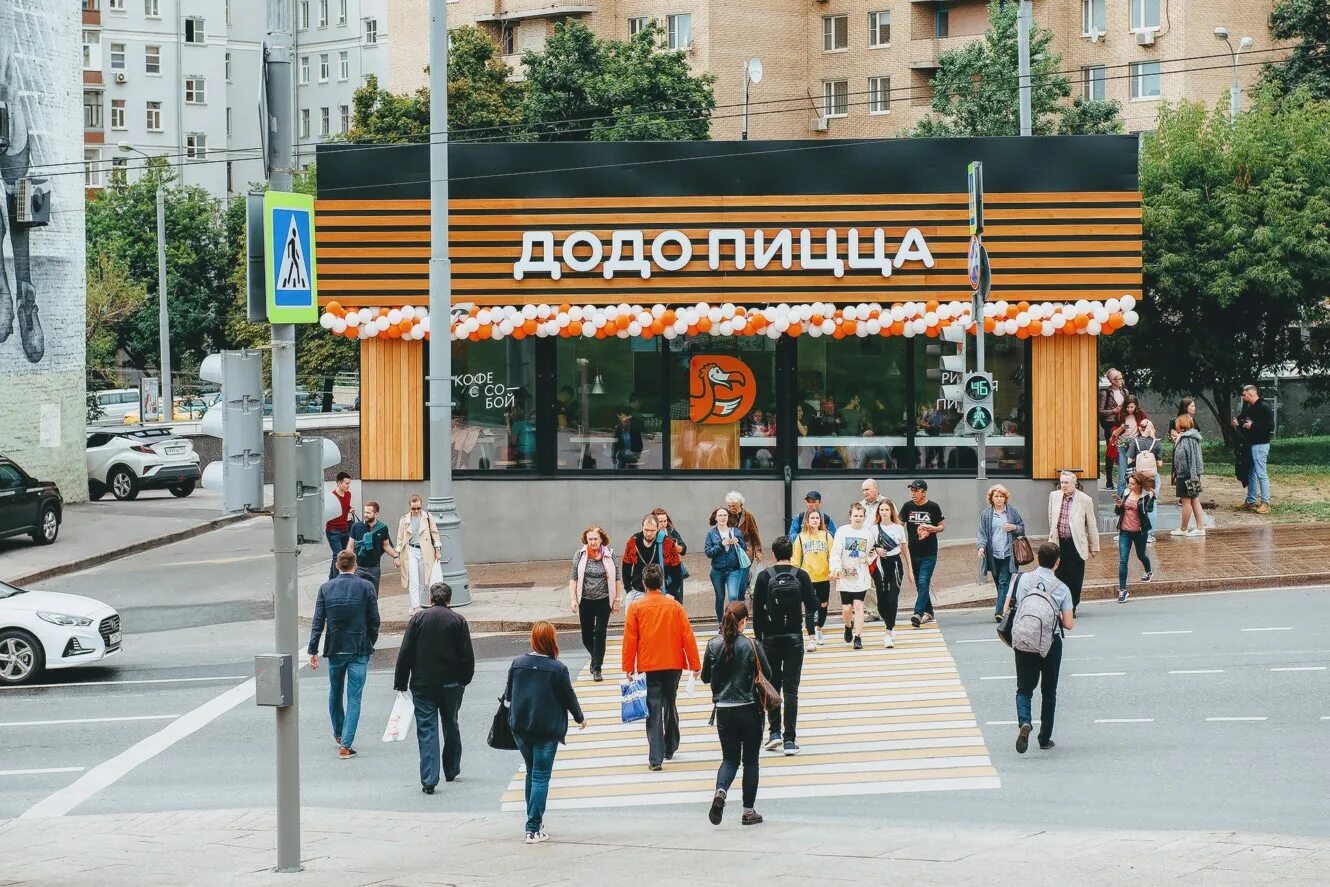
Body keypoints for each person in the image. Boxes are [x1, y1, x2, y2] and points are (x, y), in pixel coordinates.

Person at [504, 622, 587, 844]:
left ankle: (534, 821)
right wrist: (580, 718)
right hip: (547, 729)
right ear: (551, 640)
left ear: (533, 640)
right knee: (541, 776)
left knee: (532, 772)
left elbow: (508, 696)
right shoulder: (557, 668)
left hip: (520, 728)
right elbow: (568, 697)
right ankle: (533, 828)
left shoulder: (518, 663)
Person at [393, 581, 475, 793]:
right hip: (451, 684)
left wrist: (401, 683)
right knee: (451, 723)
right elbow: (467, 656)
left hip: (423, 684)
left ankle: (429, 779)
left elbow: (405, 653)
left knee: (427, 729)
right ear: (449, 600)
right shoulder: (458, 620)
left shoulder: (418, 619)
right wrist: (465, 680)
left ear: (430, 599)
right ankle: (451, 768)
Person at [621, 564, 701, 771]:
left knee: (653, 709)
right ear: (662, 582)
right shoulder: (674, 607)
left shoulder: (636, 608)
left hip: (649, 665)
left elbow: (630, 639)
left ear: (645, 584)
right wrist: (695, 664)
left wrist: (628, 667)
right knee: (670, 702)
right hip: (673, 663)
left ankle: (655, 758)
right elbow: (687, 636)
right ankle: (671, 745)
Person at [701, 601, 772, 827]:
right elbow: (767, 673)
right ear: (744, 621)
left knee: (729, 759)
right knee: (751, 761)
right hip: (750, 708)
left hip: (723, 711)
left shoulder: (713, 645)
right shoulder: (752, 645)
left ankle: (720, 793)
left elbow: (705, 677)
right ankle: (748, 811)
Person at [307, 550, 380, 760]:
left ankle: (339, 733)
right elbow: (374, 620)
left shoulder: (326, 588)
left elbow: (318, 621)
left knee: (335, 691)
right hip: (359, 646)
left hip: (335, 646)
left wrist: (313, 649)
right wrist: (370, 641)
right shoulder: (366, 587)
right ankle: (346, 744)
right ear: (354, 565)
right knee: (354, 696)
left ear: (338, 566)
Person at [1004, 542, 1074, 754]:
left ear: (1037, 558)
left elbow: (1007, 607)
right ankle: (1044, 738)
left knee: (1024, 689)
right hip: (1050, 644)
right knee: (1048, 691)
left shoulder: (1021, 579)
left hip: (1024, 640)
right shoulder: (1062, 588)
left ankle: (1025, 722)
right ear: (1057, 562)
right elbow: (1069, 624)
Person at [751, 536, 818, 755]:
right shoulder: (801, 575)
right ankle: (790, 739)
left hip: (770, 639)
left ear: (774, 553)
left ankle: (774, 733)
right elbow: (812, 605)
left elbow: (758, 612)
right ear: (791, 554)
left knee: (773, 686)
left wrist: (759, 638)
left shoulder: (764, 577)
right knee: (791, 690)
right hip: (794, 639)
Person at [568, 526, 618, 683]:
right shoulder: (580, 555)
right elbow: (573, 578)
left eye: (596, 539)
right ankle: (595, 656)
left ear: (601, 539)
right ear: (586, 540)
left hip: (604, 600)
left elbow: (617, 579)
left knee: (600, 633)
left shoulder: (610, 554)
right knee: (586, 635)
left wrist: (617, 600)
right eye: (590, 539)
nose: (593, 542)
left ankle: (597, 668)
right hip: (586, 601)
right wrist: (573, 599)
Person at [1045, 471, 1098, 614]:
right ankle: (1061, 605)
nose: (1063, 485)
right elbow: (1051, 518)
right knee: (1059, 575)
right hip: (1059, 542)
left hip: (1076, 543)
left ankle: (1072, 605)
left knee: (1074, 577)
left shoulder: (1085, 500)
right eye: (1061, 482)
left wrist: (1094, 546)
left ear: (1074, 484)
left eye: (1066, 482)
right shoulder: (1054, 496)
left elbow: (1091, 524)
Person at [830, 503, 876, 649]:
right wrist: (836, 567)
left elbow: (871, 552)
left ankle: (858, 637)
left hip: (861, 573)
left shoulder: (868, 534)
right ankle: (848, 625)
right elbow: (836, 552)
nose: (858, 518)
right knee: (846, 608)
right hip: (844, 574)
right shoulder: (842, 531)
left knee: (858, 605)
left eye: (861, 516)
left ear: (864, 517)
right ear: (850, 516)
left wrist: (869, 559)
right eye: (855, 515)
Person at [977, 485, 1026, 621]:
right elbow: (982, 533)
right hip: (993, 555)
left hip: (1009, 554)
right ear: (991, 499)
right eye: (996, 496)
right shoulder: (986, 514)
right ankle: (1008, 605)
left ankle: (999, 612)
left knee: (1004, 581)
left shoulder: (1012, 512)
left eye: (1001, 496)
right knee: (999, 583)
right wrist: (981, 547)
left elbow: (1022, 528)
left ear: (1005, 498)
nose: (999, 499)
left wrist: (1014, 527)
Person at [900, 480, 945, 628]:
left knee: (923, 581)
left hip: (929, 551)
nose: (913, 493)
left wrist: (932, 528)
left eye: (916, 491)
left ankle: (918, 613)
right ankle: (929, 611)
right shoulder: (907, 507)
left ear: (924, 492)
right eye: (911, 491)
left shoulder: (933, 507)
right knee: (920, 584)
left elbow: (942, 526)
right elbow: (899, 525)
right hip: (913, 551)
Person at [871, 499, 912, 648]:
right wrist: (876, 549)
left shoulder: (898, 528)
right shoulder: (874, 529)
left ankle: (888, 631)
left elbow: (905, 550)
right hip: (880, 565)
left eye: (887, 510)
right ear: (878, 512)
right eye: (881, 510)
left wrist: (910, 571)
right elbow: (870, 547)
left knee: (892, 597)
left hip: (895, 564)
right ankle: (889, 622)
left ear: (891, 511)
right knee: (881, 600)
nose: (884, 512)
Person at [622, 513, 684, 609]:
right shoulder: (634, 541)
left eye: (652, 530)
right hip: (637, 591)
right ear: (641, 526)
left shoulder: (667, 543)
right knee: (631, 622)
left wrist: (671, 593)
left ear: (658, 528)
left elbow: (676, 570)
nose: (649, 534)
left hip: (661, 592)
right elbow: (626, 566)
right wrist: (628, 589)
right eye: (646, 530)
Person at [792, 509, 834, 647]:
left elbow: (833, 556)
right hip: (807, 577)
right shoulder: (800, 537)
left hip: (823, 576)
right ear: (807, 521)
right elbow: (796, 559)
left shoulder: (827, 536)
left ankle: (819, 629)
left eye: (817, 518)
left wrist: (834, 570)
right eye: (812, 518)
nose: (815, 520)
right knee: (810, 608)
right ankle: (811, 639)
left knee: (823, 605)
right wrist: (795, 576)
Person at [394, 494, 441, 614]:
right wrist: (397, 556)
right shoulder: (404, 519)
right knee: (413, 579)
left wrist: (438, 550)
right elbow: (399, 538)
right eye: (413, 508)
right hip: (410, 551)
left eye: (418, 508)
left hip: (425, 551)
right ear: (409, 507)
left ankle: (417, 604)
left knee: (422, 581)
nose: (416, 511)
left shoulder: (427, 517)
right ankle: (415, 607)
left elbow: (435, 534)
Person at [1113, 473, 1155, 603]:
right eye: (1129, 483)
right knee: (1123, 560)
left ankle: (1148, 572)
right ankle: (1123, 590)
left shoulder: (1145, 495)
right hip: (1125, 531)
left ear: (1139, 484)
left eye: (1132, 484)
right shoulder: (1125, 493)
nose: (1129, 486)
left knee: (1141, 555)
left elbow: (1149, 509)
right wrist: (1119, 505)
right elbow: (1118, 512)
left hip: (1139, 531)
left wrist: (1152, 498)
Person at [1233, 384, 1274, 514]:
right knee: (1251, 473)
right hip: (1251, 444)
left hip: (1261, 444)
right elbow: (1247, 427)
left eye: (1245, 395)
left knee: (1261, 473)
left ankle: (1265, 503)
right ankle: (1250, 501)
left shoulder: (1264, 407)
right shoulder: (1252, 408)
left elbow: (1270, 426)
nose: (1244, 398)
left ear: (1250, 394)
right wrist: (1240, 425)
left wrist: (1253, 426)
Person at [705, 507, 747, 625]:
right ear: (716, 518)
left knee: (733, 597)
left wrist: (737, 542)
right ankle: (720, 623)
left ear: (728, 517)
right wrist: (721, 545)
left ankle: (733, 623)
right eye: (720, 515)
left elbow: (744, 548)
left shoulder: (736, 531)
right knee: (720, 597)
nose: (723, 518)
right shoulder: (711, 534)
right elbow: (708, 552)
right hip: (717, 571)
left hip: (734, 570)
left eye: (725, 515)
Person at [856, 478, 891, 620]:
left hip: (883, 548)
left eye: (867, 489)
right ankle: (873, 611)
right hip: (866, 549)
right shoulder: (860, 505)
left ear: (875, 488)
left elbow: (896, 523)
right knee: (867, 581)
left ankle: (886, 609)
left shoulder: (886, 503)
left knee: (884, 580)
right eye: (863, 490)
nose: (865, 492)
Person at [346, 501, 397, 595]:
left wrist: (396, 556)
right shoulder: (356, 526)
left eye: (368, 513)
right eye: (365, 512)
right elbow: (350, 546)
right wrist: (349, 562)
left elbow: (386, 545)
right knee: (357, 596)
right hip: (358, 567)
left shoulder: (382, 528)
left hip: (374, 568)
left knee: (373, 597)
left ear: (376, 514)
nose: (365, 515)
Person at [1171, 414, 1207, 538]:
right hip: (1191, 474)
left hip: (1187, 475)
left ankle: (1184, 528)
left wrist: (1190, 475)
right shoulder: (1190, 437)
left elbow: (1191, 458)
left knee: (1187, 501)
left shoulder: (1187, 439)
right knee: (1195, 499)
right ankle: (1200, 527)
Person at [1126, 420, 1163, 543]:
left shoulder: (1134, 442)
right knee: (1151, 503)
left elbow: (1129, 461)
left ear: (1139, 429)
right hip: (1151, 478)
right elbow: (1160, 464)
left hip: (1139, 478)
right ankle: (1150, 534)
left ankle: (1137, 530)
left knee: (1138, 502)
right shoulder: (1156, 443)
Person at [724, 491, 764, 590]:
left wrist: (758, 551)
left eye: (734, 506)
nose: (731, 508)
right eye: (729, 506)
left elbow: (755, 535)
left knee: (744, 568)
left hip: (746, 547)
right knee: (734, 570)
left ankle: (744, 584)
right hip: (731, 547)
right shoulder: (726, 515)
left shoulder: (748, 516)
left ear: (741, 504)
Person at [1111, 395, 1148, 498]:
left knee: (1137, 475)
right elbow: (1114, 432)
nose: (1129, 409)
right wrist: (1121, 427)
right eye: (1127, 407)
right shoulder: (1120, 415)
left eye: (1132, 407)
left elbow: (1147, 427)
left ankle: (1136, 500)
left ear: (1136, 406)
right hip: (1123, 444)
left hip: (1136, 445)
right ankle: (1120, 505)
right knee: (1122, 476)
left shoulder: (1141, 414)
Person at [1098, 369, 1128, 489]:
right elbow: (1100, 411)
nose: (1121, 381)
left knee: (1124, 449)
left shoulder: (1124, 391)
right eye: (1119, 379)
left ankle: (1125, 477)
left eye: (1121, 378)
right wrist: (1113, 411)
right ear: (1112, 380)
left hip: (1123, 422)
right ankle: (1109, 480)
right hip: (1110, 424)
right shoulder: (1105, 393)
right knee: (1111, 449)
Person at [651, 508, 689, 600]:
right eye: (660, 521)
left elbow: (683, 548)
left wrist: (677, 548)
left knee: (677, 597)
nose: (663, 523)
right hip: (659, 569)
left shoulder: (671, 531)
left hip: (674, 568)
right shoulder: (651, 533)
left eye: (665, 520)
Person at [325, 472, 353, 580]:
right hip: (333, 530)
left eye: (349, 483)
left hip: (345, 529)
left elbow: (346, 507)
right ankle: (338, 581)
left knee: (337, 556)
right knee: (339, 555)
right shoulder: (331, 496)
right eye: (346, 483)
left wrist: (350, 509)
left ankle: (332, 580)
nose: (348, 486)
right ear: (339, 483)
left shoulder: (348, 494)